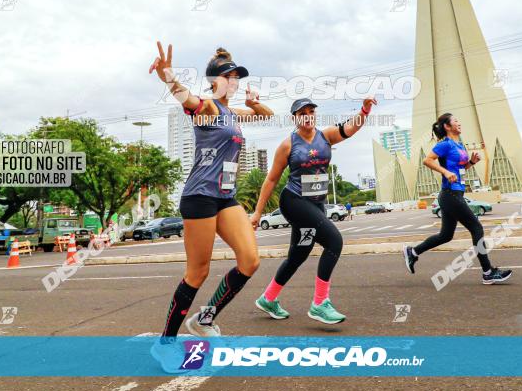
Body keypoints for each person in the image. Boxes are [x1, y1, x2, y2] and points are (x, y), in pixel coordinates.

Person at [149, 42, 273, 342]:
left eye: (236, 77)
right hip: (200, 196)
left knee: (249, 261)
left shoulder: (233, 113)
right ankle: (165, 342)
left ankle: (205, 319)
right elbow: (186, 99)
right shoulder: (208, 107)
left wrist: (255, 104)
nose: (233, 81)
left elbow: (266, 115)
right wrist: (168, 77)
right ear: (214, 81)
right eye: (227, 76)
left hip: (224, 197)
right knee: (198, 272)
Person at [252, 96, 377, 324]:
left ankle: (268, 298)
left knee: (298, 255)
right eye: (302, 113)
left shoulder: (325, 136)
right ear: (295, 119)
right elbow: (271, 180)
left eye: (311, 111)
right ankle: (320, 303)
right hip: (294, 202)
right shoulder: (287, 145)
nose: (308, 115)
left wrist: (364, 111)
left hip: (316, 203)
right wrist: (258, 213)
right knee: (334, 242)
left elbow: (350, 128)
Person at [402, 113, 512, 285]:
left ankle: (413, 252)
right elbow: (427, 160)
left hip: (455, 193)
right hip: (450, 194)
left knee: (445, 236)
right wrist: (445, 172)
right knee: (477, 228)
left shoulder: (459, 145)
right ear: (447, 126)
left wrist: (471, 163)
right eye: (455, 121)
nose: (459, 123)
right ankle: (488, 272)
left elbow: (460, 170)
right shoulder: (445, 144)